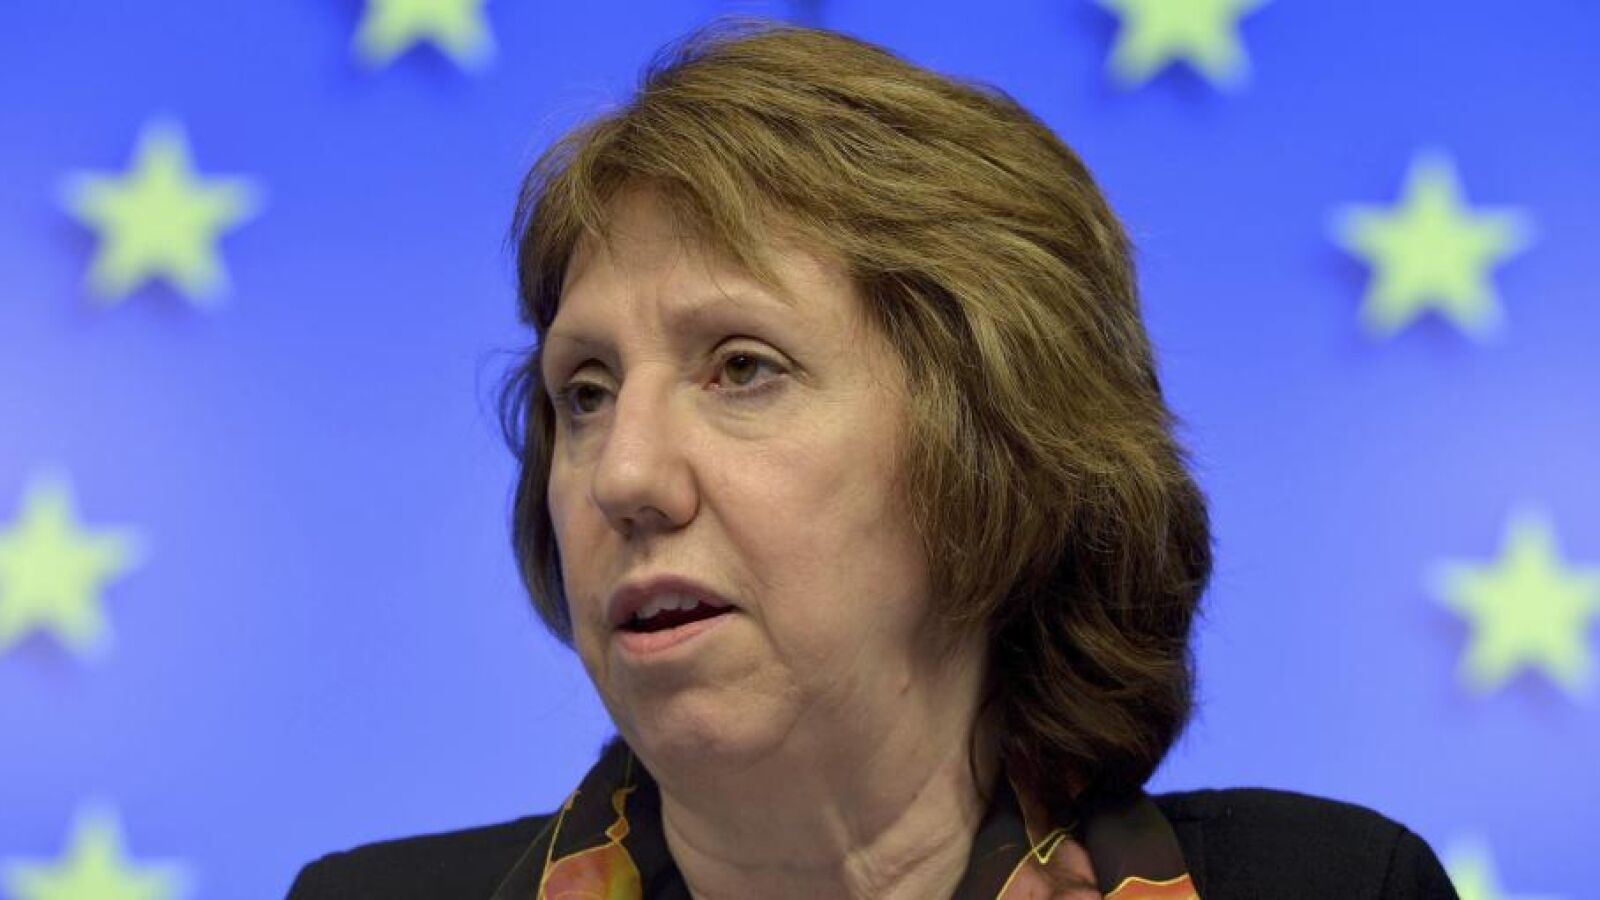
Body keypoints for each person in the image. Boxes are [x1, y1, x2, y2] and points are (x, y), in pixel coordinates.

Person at [288, 17, 1458, 900]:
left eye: (741, 367)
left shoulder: (1336, 887)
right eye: (584, 393)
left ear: (993, 454)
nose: (623, 478)